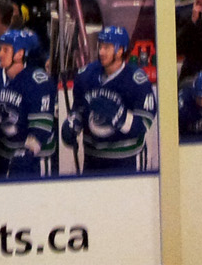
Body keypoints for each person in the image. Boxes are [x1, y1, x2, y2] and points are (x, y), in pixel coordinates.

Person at [61, 25, 155, 170]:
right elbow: (78, 110)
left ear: (120, 50)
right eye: (100, 46)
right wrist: (72, 124)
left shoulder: (137, 81)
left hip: (127, 159)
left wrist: (120, 117)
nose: (101, 52)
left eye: (107, 47)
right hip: (93, 159)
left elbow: (143, 124)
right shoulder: (86, 76)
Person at [0, 28, 56, 177]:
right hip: (4, 154)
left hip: (35, 158)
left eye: (6, 50)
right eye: (1, 49)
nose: (0, 54)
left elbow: (41, 128)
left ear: (20, 53)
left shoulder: (39, 82)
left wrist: (26, 153)